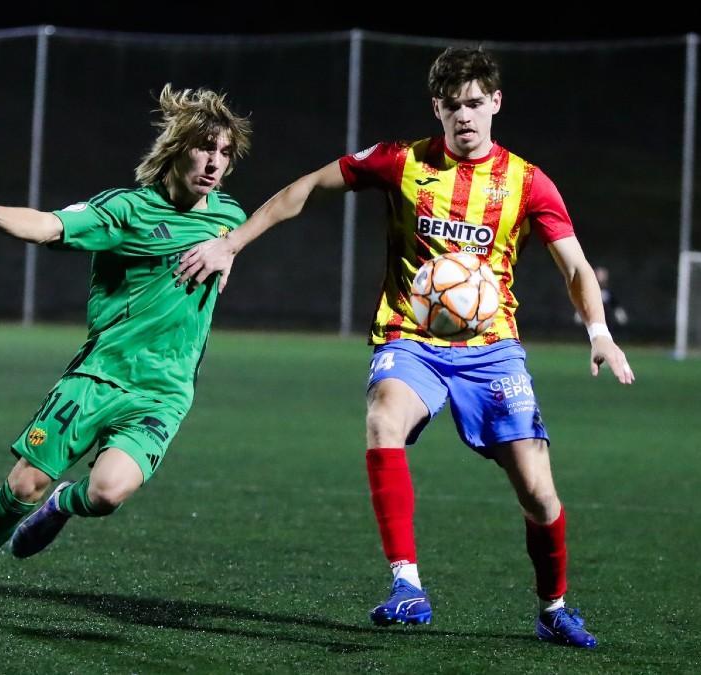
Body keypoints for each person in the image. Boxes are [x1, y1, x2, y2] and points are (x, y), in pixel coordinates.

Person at [175, 46, 634, 649]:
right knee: (383, 418)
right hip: (409, 337)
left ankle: (553, 608)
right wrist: (231, 243)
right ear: (436, 108)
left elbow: (573, 266)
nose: (464, 117)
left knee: (538, 493)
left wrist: (598, 333)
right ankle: (406, 584)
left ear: (495, 103)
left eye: (475, 104)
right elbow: (308, 188)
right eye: (451, 106)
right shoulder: (402, 162)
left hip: (492, 349)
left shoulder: (526, 181)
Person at [0, 84, 251, 619]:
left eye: (225, 152)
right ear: (177, 147)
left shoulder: (229, 216)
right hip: (97, 377)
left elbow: (240, 235)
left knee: (106, 493)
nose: (215, 162)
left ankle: (60, 505)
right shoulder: (123, 210)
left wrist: (229, 253)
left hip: (164, 392)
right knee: (24, 482)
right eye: (204, 147)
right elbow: (50, 226)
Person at [573, 266, 628, 333]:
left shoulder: (608, 294)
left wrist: (620, 315)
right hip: (592, 321)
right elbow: (584, 304)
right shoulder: (590, 292)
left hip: (606, 320)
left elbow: (615, 305)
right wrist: (579, 315)